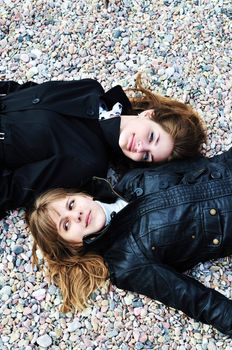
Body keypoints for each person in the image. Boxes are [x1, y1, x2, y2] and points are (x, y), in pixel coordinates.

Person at [28, 148, 232, 336]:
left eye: (71, 205)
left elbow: (203, 165)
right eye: (66, 225)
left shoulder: (131, 180)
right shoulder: (126, 262)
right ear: (72, 245)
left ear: (82, 195)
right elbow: (195, 299)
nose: (77, 215)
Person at [0, 75, 206, 218]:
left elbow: (12, 189)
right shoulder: (90, 90)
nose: (141, 148)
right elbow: (23, 90)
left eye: (147, 157)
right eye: (152, 137)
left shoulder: (87, 161)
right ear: (148, 114)